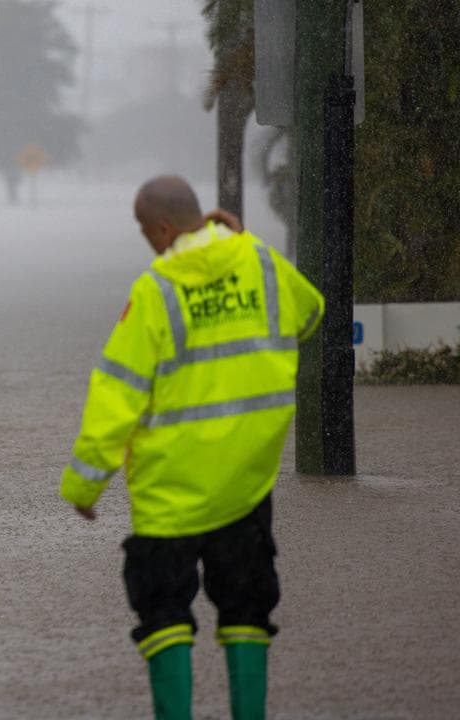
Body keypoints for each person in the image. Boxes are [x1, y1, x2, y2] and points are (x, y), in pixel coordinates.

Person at [59, 175, 325, 720]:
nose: (144, 240)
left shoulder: (155, 291)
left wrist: (84, 485)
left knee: (162, 613)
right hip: (245, 486)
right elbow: (312, 313)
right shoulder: (262, 263)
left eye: (142, 229)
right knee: (248, 607)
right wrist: (246, 245)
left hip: (168, 494)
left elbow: (116, 396)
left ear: (161, 228)